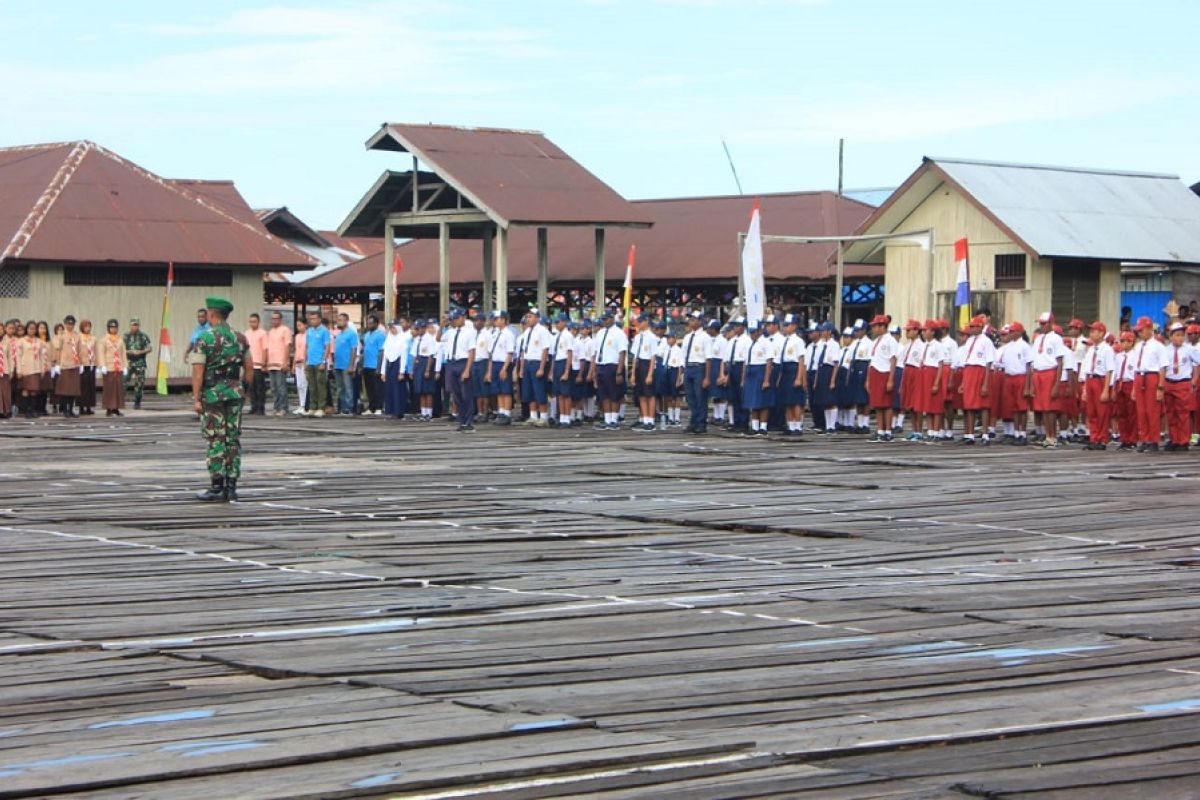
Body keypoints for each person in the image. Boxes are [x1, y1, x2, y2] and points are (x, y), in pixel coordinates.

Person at [188, 296, 251, 502]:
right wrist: (244, 389)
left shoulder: (205, 338)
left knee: (215, 439)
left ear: (213, 314)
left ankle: (217, 486)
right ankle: (231, 486)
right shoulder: (240, 338)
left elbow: (198, 370)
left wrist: (196, 397)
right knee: (232, 438)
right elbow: (249, 367)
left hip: (213, 394)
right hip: (235, 392)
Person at [1130, 316, 1166, 452]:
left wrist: (1160, 387)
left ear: (1150, 329)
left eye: (1142, 330)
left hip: (1152, 376)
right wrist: (1134, 387)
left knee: (1152, 411)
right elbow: (1135, 368)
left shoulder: (1158, 346)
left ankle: (1154, 440)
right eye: (1138, 330)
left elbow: (1163, 368)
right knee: (1141, 411)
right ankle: (1144, 438)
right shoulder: (1138, 346)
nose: (1139, 333)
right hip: (1140, 377)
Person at [957, 315, 996, 444]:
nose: (971, 329)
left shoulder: (986, 341)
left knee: (983, 405)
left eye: (974, 326)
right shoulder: (969, 341)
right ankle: (970, 434)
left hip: (980, 371)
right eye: (970, 326)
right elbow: (965, 362)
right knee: (969, 405)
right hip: (969, 372)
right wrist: (963, 382)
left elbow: (989, 362)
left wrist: (985, 383)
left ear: (981, 327)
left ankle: (985, 434)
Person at [1029, 312, 1066, 447]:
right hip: (1039, 373)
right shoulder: (1038, 339)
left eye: (1044, 323)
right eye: (1040, 323)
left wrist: (1057, 384)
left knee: (1050, 407)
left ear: (1051, 323)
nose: (1042, 326)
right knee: (1042, 408)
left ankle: (1053, 437)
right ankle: (1047, 435)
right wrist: (1033, 382)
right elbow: (1034, 361)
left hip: (1050, 372)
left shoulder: (1056, 339)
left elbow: (1060, 362)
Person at [1161, 321, 1198, 451]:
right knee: (1171, 413)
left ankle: (1183, 441)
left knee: (1183, 413)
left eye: (1182, 335)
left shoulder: (1189, 349)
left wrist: (1194, 379)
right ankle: (1174, 439)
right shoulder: (1165, 350)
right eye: (1177, 335)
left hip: (1183, 382)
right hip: (1169, 382)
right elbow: (1163, 367)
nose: (1180, 338)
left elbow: (1197, 363)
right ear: (1170, 336)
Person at [1079, 321, 1115, 450]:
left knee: (1102, 412)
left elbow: (1109, 370)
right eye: (1091, 331)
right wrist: (1084, 390)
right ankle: (1094, 437)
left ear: (1101, 333)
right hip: (1090, 380)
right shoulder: (1091, 349)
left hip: (1101, 380)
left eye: (1094, 331)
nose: (1091, 334)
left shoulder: (1107, 349)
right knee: (1091, 412)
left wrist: (1106, 390)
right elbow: (1087, 369)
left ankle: (1102, 438)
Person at [590, 312, 627, 430]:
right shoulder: (600, 333)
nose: (604, 321)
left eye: (606, 319)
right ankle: (607, 419)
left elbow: (622, 353)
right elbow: (596, 352)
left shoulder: (619, 333)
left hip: (613, 365)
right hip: (601, 364)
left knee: (614, 394)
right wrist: (595, 369)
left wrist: (619, 371)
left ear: (612, 319)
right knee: (604, 394)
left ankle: (614, 419)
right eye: (603, 319)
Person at [443, 308, 478, 432]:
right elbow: (438, 339)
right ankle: (461, 420)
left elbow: (471, 351)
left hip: (463, 361)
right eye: (452, 319)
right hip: (452, 362)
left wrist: (467, 369)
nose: (454, 321)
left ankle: (469, 421)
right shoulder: (450, 332)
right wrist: (443, 325)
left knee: (466, 394)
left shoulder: (469, 332)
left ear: (463, 318)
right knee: (456, 394)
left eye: (456, 319)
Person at [865, 314, 899, 442]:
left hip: (884, 372)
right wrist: (868, 380)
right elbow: (871, 361)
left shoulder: (890, 340)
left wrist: (890, 379)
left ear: (882, 326)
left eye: (875, 326)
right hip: (875, 373)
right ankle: (880, 430)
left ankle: (888, 431)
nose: (873, 329)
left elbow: (893, 360)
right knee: (878, 404)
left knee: (887, 404)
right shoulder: (875, 342)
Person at [517, 311, 552, 427]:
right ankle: (533, 416)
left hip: (537, 362)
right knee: (529, 391)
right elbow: (523, 351)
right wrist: (522, 368)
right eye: (527, 316)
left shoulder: (542, 331)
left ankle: (543, 417)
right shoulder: (527, 332)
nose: (528, 319)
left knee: (539, 390)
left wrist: (542, 368)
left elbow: (545, 349)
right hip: (527, 362)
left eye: (530, 316)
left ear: (537, 318)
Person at [681, 311, 713, 434]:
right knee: (690, 397)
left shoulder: (705, 337)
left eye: (694, 319)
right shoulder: (687, 337)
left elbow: (708, 358)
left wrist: (707, 377)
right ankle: (693, 421)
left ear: (700, 321)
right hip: (689, 367)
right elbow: (683, 355)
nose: (691, 321)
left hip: (699, 367)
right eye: (690, 319)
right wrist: (682, 372)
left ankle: (701, 423)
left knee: (700, 397)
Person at [742, 321, 776, 436]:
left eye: (754, 332)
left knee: (763, 401)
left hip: (760, 371)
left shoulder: (766, 342)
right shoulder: (749, 343)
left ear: (759, 331)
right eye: (751, 332)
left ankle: (763, 427)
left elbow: (769, 361)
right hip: (751, 372)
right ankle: (755, 426)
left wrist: (766, 380)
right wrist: (743, 378)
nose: (752, 334)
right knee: (753, 401)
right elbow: (745, 362)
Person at [777, 314, 807, 437]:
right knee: (787, 401)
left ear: (794, 326)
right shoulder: (785, 340)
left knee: (796, 401)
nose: (785, 327)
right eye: (784, 325)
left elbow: (801, 360)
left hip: (794, 369)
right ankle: (791, 425)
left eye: (787, 325)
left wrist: (799, 377)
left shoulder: (798, 341)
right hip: (785, 369)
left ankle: (798, 426)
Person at [485, 311, 516, 425]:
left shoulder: (509, 334)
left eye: (498, 319)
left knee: (505, 389)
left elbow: (510, 352)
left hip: (504, 363)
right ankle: (501, 412)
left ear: (504, 320)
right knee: (497, 390)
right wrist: (489, 371)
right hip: (495, 363)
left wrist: (505, 368)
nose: (495, 321)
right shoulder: (495, 333)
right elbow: (491, 353)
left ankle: (507, 413)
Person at [629, 315, 658, 431]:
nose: (639, 324)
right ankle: (645, 419)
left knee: (649, 394)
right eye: (638, 322)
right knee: (641, 394)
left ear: (646, 322)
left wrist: (650, 374)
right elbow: (635, 356)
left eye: (641, 322)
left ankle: (651, 420)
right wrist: (633, 374)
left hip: (647, 365)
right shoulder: (637, 337)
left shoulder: (651, 337)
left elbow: (653, 356)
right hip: (639, 364)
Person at [52, 314, 84, 418]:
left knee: (73, 390)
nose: (70, 326)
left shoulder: (77, 336)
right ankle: (65, 409)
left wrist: (81, 364)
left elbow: (80, 350)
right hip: (64, 365)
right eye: (68, 324)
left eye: (72, 324)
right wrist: (57, 364)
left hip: (75, 364)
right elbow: (57, 348)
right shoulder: (61, 335)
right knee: (65, 390)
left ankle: (71, 409)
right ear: (65, 324)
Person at [263, 311, 293, 417]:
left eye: (276, 318)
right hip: (271, 363)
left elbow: (287, 347)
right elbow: (267, 348)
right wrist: (266, 362)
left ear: (280, 319)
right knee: (273, 387)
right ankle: (276, 407)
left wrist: (285, 362)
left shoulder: (285, 330)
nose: (274, 320)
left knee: (281, 386)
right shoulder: (270, 332)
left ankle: (283, 408)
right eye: (272, 319)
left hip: (280, 362)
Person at [95, 319, 127, 417]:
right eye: (112, 327)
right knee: (109, 389)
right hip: (109, 367)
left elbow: (123, 354)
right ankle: (109, 408)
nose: (114, 329)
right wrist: (102, 365)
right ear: (108, 328)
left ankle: (116, 408)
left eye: (115, 327)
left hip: (118, 367)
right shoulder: (104, 340)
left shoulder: (120, 340)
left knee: (118, 389)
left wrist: (125, 366)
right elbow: (101, 353)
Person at [381, 318, 411, 419]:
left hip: (398, 364)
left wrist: (402, 372)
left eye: (394, 328)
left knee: (398, 389)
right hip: (389, 364)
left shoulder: (402, 339)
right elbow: (385, 356)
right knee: (389, 388)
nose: (392, 330)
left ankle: (399, 411)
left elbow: (403, 356)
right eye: (390, 328)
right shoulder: (389, 338)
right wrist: (382, 372)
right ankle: (391, 410)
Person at [303, 312, 332, 417]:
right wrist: (305, 361)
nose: (312, 321)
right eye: (311, 319)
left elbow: (327, 347)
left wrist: (323, 361)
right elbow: (306, 346)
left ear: (319, 319)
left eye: (314, 319)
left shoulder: (324, 330)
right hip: (310, 361)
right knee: (312, 386)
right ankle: (312, 407)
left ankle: (321, 407)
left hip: (319, 361)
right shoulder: (309, 331)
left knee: (321, 386)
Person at [549, 314, 574, 429]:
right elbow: (554, 355)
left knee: (566, 393)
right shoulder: (556, 336)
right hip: (557, 363)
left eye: (558, 322)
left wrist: (567, 371)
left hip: (564, 363)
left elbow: (569, 354)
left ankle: (567, 418)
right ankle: (562, 417)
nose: (556, 324)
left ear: (564, 322)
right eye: (556, 322)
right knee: (559, 393)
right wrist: (551, 371)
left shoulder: (568, 335)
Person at [332, 313, 359, 415]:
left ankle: (349, 408)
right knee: (340, 388)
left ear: (346, 321)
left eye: (341, 320)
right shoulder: (339, 335)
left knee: (348, 388)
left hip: (346, 365)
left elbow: (354, 349)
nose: (339, 322)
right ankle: (342, 408)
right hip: (337, 364)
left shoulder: (352, 334)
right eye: (338, 320)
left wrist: (351, 365)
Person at [123, 318, 152, 410]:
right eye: (133, 325)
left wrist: (140, 352)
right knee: (123, 381)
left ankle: (137, 402)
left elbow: (149, 348)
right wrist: (130, 351)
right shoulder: (126, 336)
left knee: (139, 383)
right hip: (128, 362)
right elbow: (121, 349)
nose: (134, 327)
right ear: (130, 326)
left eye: (136, 325)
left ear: (139, 326)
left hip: (140, 362)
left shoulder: (143, 336)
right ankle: (120, 400)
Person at [360, 314, 386, 416]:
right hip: (367, 365)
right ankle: (371, 407)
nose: (369, 325)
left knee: (377, 388)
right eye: (368, 323)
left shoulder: (380, 335)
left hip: (375, 365)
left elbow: (381, 352)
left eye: (371, 323)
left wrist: (379, 367)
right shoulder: (366, 335)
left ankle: (379, 407)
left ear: (376, 323)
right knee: (369, 388)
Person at [78, 319, 97, 415]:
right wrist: (78, 363)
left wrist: (97, 363)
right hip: (83, 365)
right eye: (85, 326)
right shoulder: (78, 337)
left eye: (89, 326)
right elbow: (76, 351)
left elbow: (96, 350)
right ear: (82, 327)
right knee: (83, 386)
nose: (87, 328)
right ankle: (81, 407)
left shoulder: (93, 338)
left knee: (90, 386)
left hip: (91, 365)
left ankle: (89, 406)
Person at [292, 318, 308, 415]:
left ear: (305, 325)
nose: (299, 327)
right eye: (297, 325)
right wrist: (293, 364)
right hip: (297, 361)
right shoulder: (297, 336)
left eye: (300, 325)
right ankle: (301, 404)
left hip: (304, 362)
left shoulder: (308, 335)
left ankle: (306, 404)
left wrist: (305, 362)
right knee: (299, 385)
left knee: (305, 384)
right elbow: (296, 350)